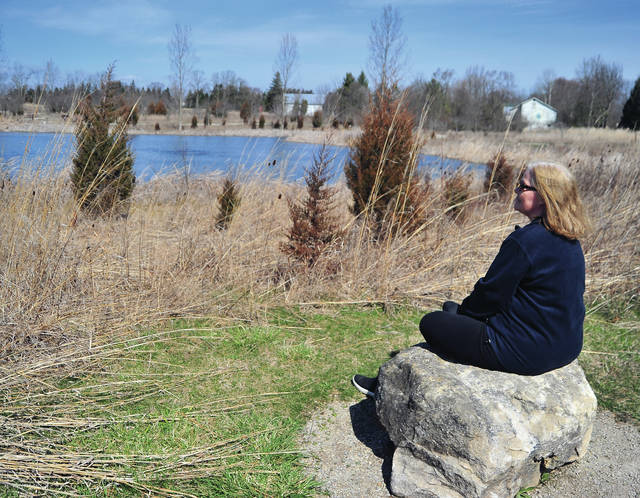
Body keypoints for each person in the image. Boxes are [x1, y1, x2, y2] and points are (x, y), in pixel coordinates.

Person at [352, 161, 591, 398]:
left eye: (523, 186)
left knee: (432, 321)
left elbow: (490, 295)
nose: (516, 189)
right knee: (451, 310)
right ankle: (454, 323)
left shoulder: (526, 241)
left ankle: (389, 387)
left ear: (544, 196)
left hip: (524, 350)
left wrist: (465, 314)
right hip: (565, 347)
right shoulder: (570, 240)